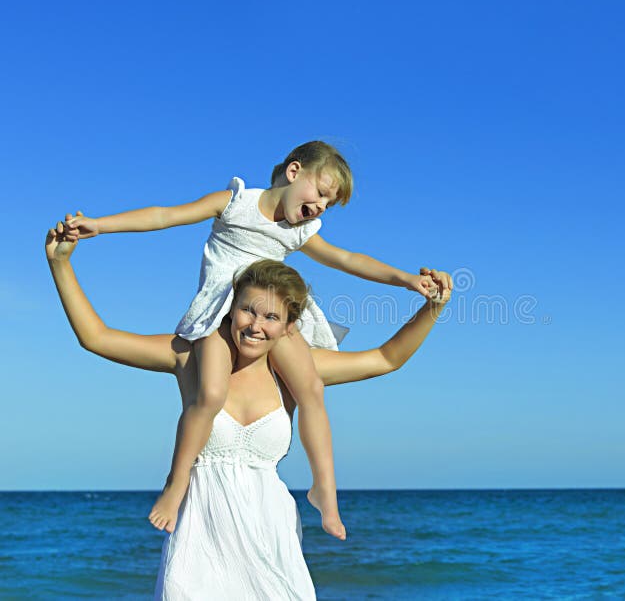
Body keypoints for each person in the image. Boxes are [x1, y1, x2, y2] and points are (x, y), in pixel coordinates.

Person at [46, 222, 451, 599]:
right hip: (199, 535)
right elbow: (96, 338)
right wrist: (60, 264)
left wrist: (433, 307)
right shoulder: (191, 358)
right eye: (248, 311)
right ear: (230, 307)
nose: (256, 325)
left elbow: (385, 358)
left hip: (269, 533)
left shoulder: (297, 371)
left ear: (289, 325)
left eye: (271, 317)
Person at [63, 141, 438, 536]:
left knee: (310, 386)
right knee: (209, 395)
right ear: (294, 173)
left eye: (329, 204)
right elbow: (164, 216)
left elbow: (348, 260)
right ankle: (176, 484)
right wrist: (101, 225)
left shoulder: (300, 232)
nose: (321, 207)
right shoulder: (235, 202)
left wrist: (407, 280)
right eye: (321, 193)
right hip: (221, 314)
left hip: (267, 311)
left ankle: (325, 492)